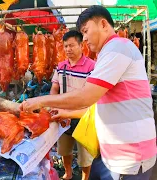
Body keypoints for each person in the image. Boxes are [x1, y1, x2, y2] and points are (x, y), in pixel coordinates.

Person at [20, 5, 156, 180]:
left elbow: (86, 96)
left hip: (129, 157)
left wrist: (40, 101)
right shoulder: (107, 53)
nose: (84, 38)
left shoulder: (117, 48)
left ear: (103, 24)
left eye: (85, 31)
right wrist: (66, 112)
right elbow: (98, 108)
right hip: (113, 154)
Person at [50, 30, 95, 180]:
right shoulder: (61, 66)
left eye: (72, 45)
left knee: (85, 155)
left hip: (84, 116)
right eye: (65, 46)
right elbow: (55, 87)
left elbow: (92, 94)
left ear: (81, 45)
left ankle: (85, 177)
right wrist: (52, 103)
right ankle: (68, 173)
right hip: (63, 117)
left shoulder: (92, 67)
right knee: (64, 150)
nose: (68, 49)